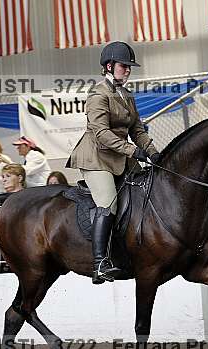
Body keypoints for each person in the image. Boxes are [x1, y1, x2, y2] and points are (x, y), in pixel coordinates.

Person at [66, 41, 161, 284]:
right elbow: (102, 133)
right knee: (108, 202)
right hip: (96, 157)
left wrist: (153, 153)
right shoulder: (98, 94)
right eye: (123, 66)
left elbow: (137, 130)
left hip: (120, 156)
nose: (127, 70)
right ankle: (99, 263)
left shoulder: (126, 95)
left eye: (129, 67)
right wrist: (133, 151)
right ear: (109, 66)